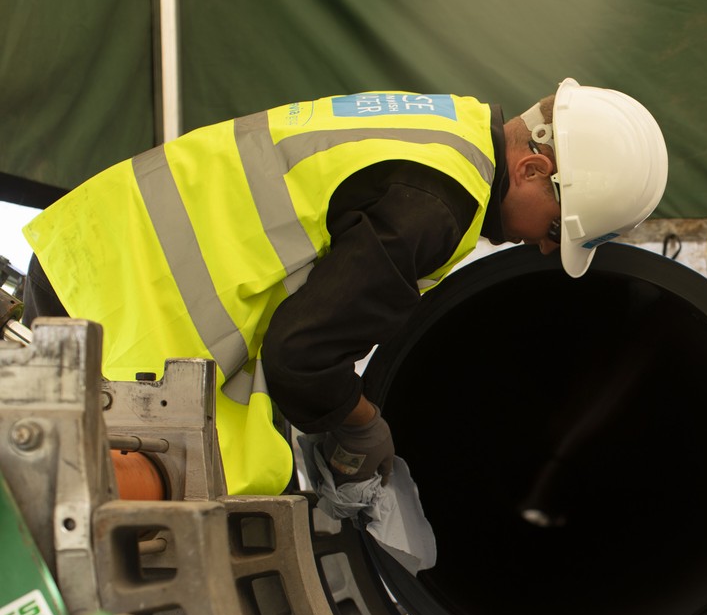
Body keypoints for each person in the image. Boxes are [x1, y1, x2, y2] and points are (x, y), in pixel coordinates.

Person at [21, 78, 668, 497]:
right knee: (223, 484)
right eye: (559, 227)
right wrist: (360, 425)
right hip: (131, 306)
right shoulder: (437, 205)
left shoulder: (447, 130)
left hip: (97, 254)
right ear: (532, 168)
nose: (549, 247)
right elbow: (301, 355)